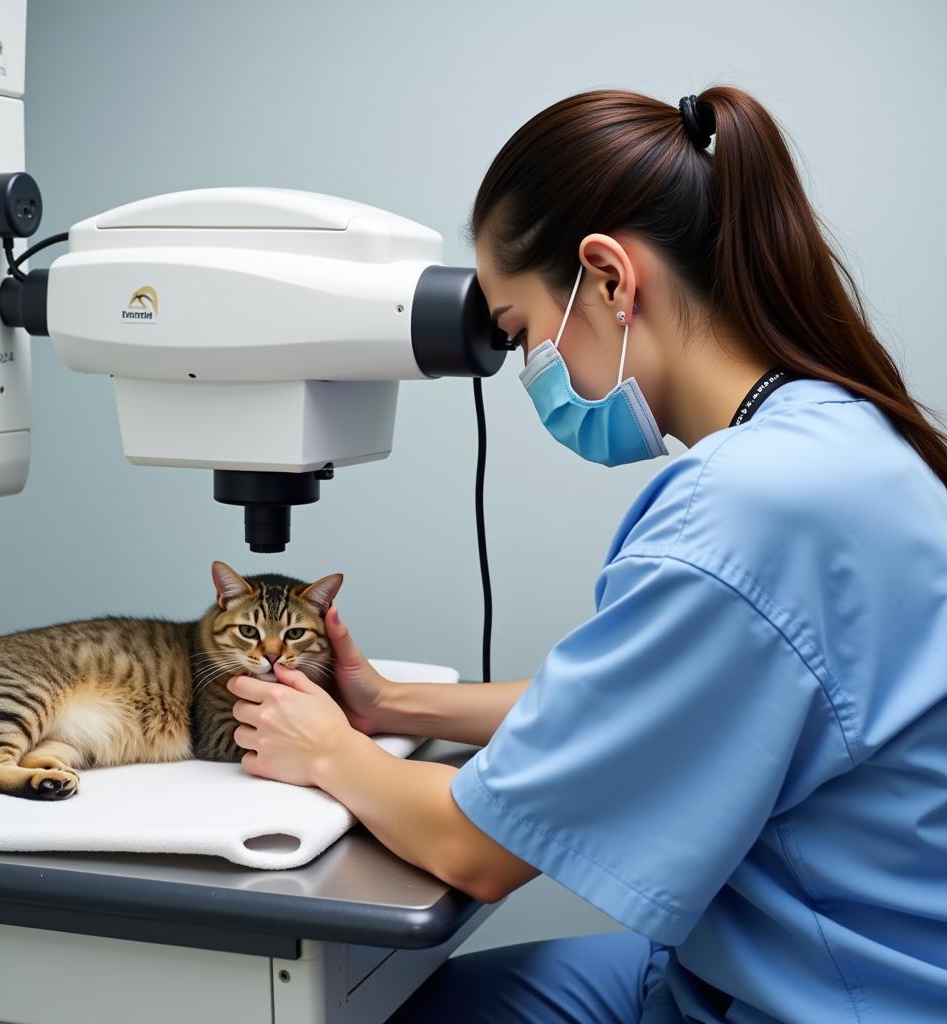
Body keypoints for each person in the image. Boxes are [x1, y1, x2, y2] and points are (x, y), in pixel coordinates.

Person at [225, 86, 947, 1022]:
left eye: (521, 331)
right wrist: (390, 704)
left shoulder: (744, 512)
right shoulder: (835, 435)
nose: (531, 372)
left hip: (823, 996)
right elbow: (657, 701)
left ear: (609, 278)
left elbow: (475, 852)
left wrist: (326, 752)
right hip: (770, 958)